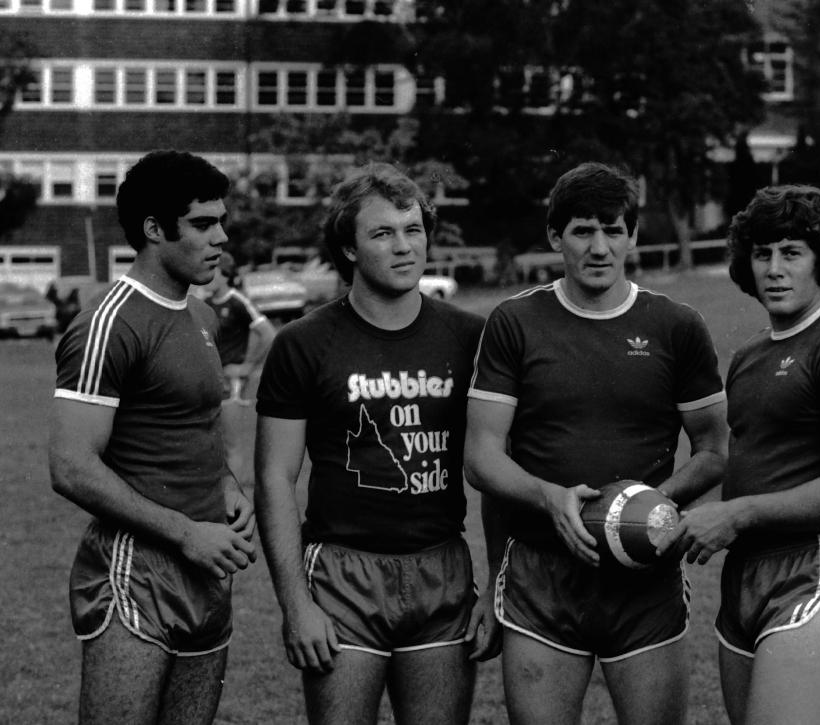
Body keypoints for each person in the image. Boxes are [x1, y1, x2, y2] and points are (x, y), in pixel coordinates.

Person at [464, 161, 728, 725]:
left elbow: (714, 450)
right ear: (556, 236)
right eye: (583, 230)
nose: (600, 246)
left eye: (613, 229)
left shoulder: (676, 325)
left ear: (633, 233)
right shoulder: (515, 321)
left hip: (643, 576)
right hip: (541, 571)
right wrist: (547, 496)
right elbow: (482, 457)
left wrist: (647, 502)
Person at [254, 162, 500, 725]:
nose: (404, 247)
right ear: (348, 248)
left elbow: (496, 466)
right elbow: (273, 477)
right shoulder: (302, 343)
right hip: (342, 577)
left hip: (441, 570)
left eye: (413, 230)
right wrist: (295, 604)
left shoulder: (470, 337)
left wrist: (495, 588)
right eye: (382, 233)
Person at [658, 185, 820, 725]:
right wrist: (669, 514)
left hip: (819, 568)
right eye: (762, 253)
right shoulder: (749, 356)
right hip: (746, 575)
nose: (774, 268)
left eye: (792, 252)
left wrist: (737, 514)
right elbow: (752, 469)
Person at [49, 149, 257, 725]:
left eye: (221, 220)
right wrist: (186, 532)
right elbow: (70, 466)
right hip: (136, 573)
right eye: (201, 224)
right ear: (153, 229)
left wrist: (229, 487)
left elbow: (197, 424)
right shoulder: (107, 323)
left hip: (208, 572)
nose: (220, 236)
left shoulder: (203, 318)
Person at [203, 251, 276, 487]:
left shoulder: (237, 301)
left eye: (212, 270)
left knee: (232, 443)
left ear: (225, 275)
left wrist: (248, 365)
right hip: (209, 380)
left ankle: (236, 498)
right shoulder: (205, 304)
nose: (207, 275)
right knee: (213, 443)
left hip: (230, 383)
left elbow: (268, 334)